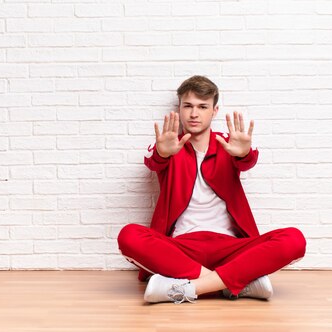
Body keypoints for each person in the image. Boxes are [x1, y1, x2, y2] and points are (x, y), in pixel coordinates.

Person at [117, 75, 306, 304]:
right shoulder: (167, 144)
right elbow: (153, 160)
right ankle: (238, 284)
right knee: (129, 236)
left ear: (214, 111)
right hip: (181, 247)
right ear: (179, 109)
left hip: (231, 248)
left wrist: (244, 153)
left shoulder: (230, 143)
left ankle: (184, 288)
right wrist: (163, 152)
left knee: (294, 240)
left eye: (202, 106)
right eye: (188, 106)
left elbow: (247, 160)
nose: (194, 113)